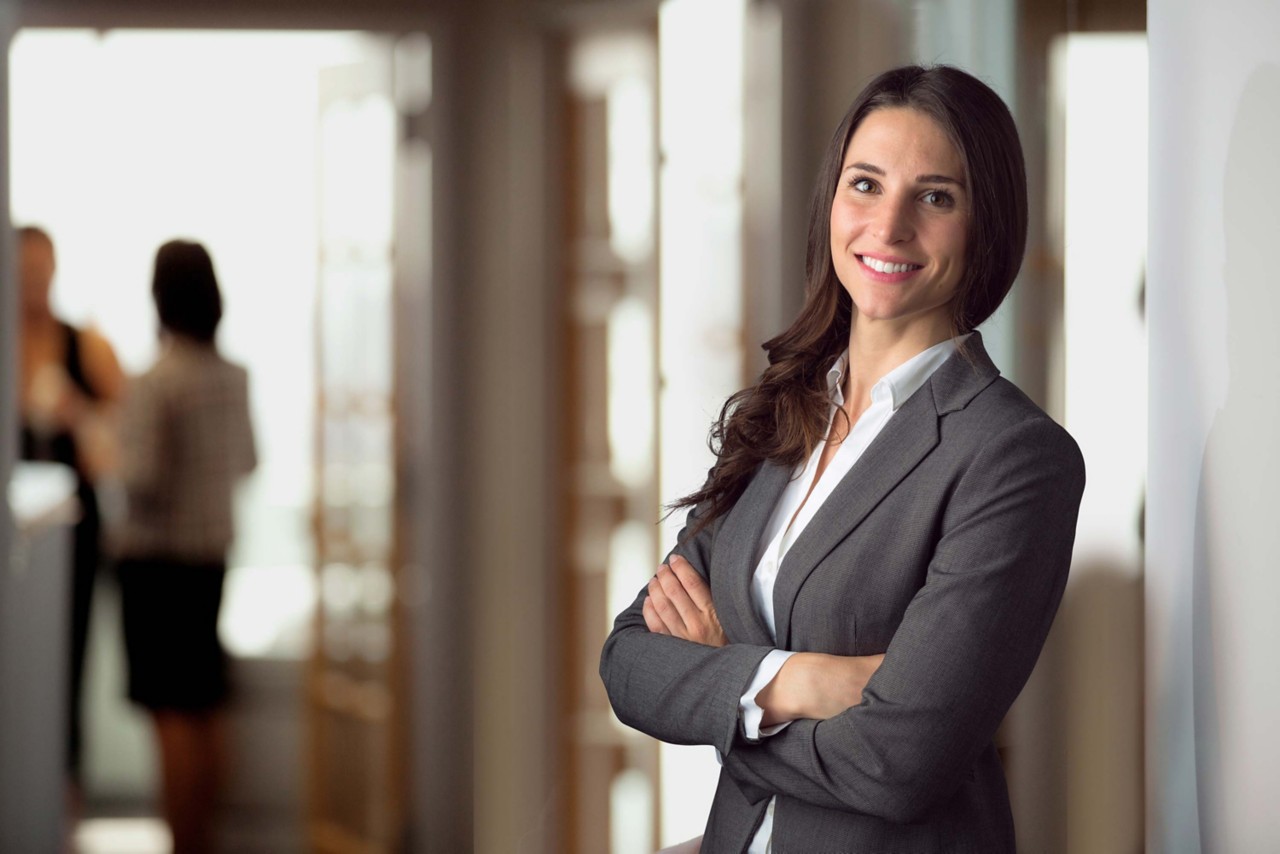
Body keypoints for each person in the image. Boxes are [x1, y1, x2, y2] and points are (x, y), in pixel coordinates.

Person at [599, 65, 1086, 853]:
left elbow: (899, 763)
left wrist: (726, 687)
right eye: (865, 185)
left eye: (935, 197)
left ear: (985, 223)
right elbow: (628, 662)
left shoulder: (1014, 458)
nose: (888, 227)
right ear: (832, 198)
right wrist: (799, 682)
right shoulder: (787, 411)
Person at [115, 240, 256, 854]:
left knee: (170, 713)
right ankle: (206, 839)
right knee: (204, 706)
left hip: (156, 564)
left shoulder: (155, 382)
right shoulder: (233, 377)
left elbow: (140, 479)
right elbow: (249, 461)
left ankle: (182, 841)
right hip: (209, 562)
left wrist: (102, 445)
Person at [17, 225, 126, 794]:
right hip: (14, 533)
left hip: (71, 536)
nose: (35, 280)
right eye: (24, 269)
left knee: (66, 668)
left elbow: (125, 446)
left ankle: (64, 804)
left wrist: (77, 414)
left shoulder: (85, 344)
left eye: (43, 268)